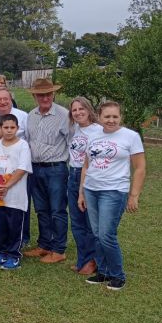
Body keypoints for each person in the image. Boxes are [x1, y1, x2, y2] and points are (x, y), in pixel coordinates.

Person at [78, 101, 146, 291]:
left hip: (114, 191)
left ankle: (118, 275)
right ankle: (103, 271)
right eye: (107, 116)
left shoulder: (130, 136)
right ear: (99, 117)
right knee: (96, 234)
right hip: (92, 189)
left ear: (120, 117)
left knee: (106, 235)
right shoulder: (93, 136)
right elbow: (86, 165)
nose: (111, 120)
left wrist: (134, 195)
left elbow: (140, 168)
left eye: (115, 116)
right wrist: (81, 192)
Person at [23, 78, 70, 264]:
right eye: (41, 94)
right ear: (35, 96)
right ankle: (44, 245)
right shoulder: (31, 115)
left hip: (56, 168)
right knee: (41, 209)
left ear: (53, 94)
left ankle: (59, 249)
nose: (45, 98)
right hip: (36, 168)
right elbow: (28, 140)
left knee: (57, 209)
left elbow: (72, 142)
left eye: (48, 94)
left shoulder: (64, 115)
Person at [0, 114, 33, 270]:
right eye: (6, 127)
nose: (9, 130)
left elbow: (22, 169)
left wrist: (7, 186)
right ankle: (1, 252)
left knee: (14, 225)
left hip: (15, 194)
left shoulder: (22, 145)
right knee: (0, 225)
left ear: (17, 128)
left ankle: (14, 254)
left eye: (12, 127)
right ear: (0, 128)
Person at [67, 97, 103, 275]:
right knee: (76, 222)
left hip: (90, 177)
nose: (78, 112)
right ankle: (83, 258)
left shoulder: (98, 130)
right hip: (72, 174)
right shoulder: (74, 129)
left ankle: (93, 260)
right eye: (74, 110)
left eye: (82, 109)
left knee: (90, 221)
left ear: (89, 110)